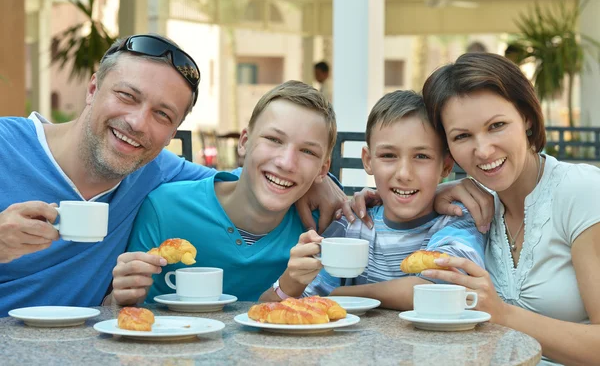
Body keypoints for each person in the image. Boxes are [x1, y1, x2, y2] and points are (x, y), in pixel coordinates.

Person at [0, 35, 348, 316]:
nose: (137, 123)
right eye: (126, 96)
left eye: (162, 115)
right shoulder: (6, 145)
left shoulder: (156, 170)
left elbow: (246, 182)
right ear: (93, 89)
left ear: (173, 133)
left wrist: (324, 184)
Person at [420, 52, 600, 365]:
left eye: (497, 125)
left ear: (527, 118)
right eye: (462, 136)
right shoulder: (473, 203)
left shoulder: (582, 192)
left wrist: (502, 314)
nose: (483, 150)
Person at [111, 81, 337, 304]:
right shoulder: (164, 208)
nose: (287, 163)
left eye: (307, 151)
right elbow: (123, 309)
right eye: (274, 139)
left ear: (323, 169)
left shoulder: (323, 231)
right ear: (244, 142)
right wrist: (119, 298)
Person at [259, 90, 486, 308]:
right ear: (368, 160)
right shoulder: (350, 227)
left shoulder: (458, 220)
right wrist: (293, 280)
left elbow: (442, 288)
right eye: (388, 156)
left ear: (445, 165)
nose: (404, 174)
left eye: (421, 156)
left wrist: (341, 294)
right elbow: (281, 305)